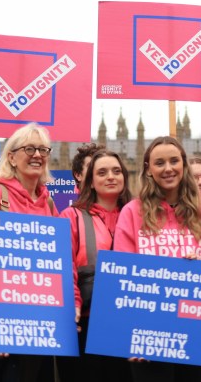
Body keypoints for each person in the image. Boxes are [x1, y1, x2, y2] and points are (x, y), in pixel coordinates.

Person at [114, 136, 201, 382]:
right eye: (159, 163)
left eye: (174, 161)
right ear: (148, 170)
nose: (168, 168)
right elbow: (123, 274)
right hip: (149, 332)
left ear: (183, 165)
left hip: (197, 329)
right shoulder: (132, 211)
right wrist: (132, 337)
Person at [0, 123, 58, 382]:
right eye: (29, 149)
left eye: (43, 149)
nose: (37, 155)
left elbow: (57, 266)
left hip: (39, 325)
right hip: (4, 326)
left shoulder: (49, 204)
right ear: (11, 157)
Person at [57, 149, 132, 382]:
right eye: (102, 172)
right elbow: (64, 268)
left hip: (129, 324)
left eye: (116, 171)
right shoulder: (71, 216)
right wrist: (74, 306)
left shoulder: (140, 216)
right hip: (87, 321)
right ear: (90, 180)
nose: (110, 176)